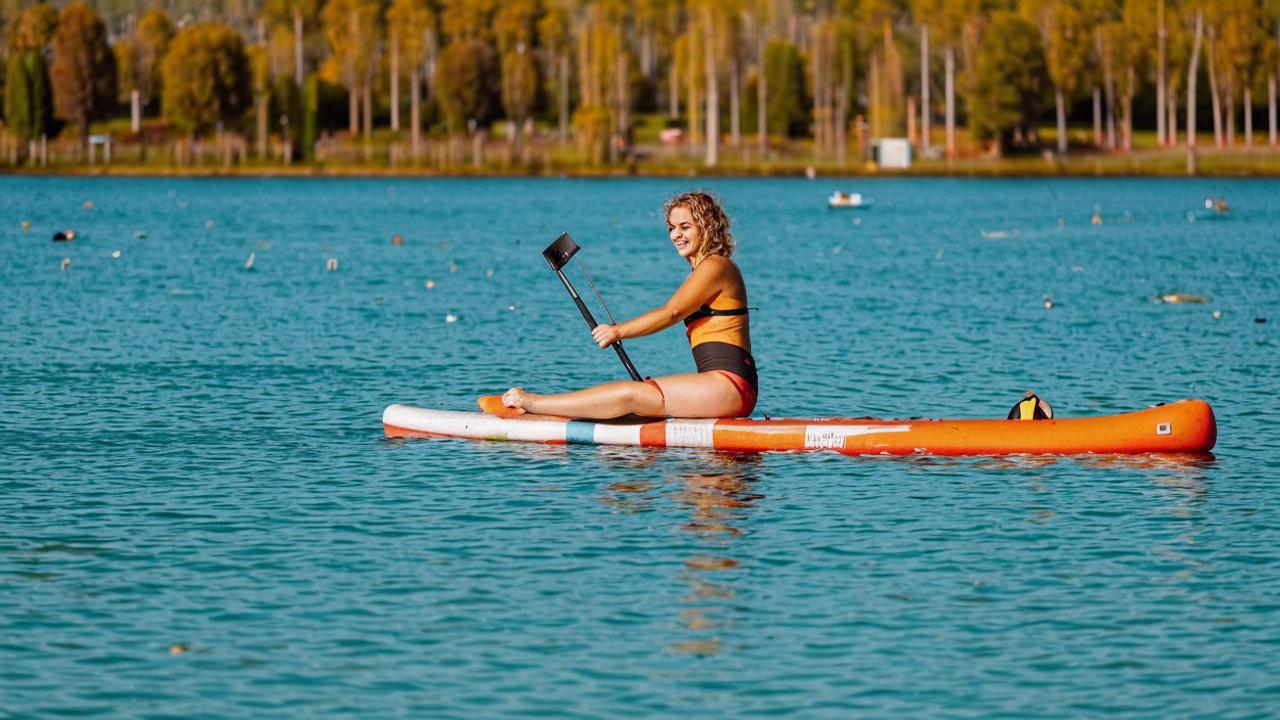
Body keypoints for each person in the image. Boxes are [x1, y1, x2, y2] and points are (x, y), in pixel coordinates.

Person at [501, 191, 757, 420]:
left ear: (707, 226)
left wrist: (617, 331)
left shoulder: (716, 266)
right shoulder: (706, 268)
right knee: (636, 399)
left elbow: (672, 312)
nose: (676, 235)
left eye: (685, 227)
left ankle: (533, 403)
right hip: (720, 387)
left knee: (629, 395)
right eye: (671, 228)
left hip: (730, 387)